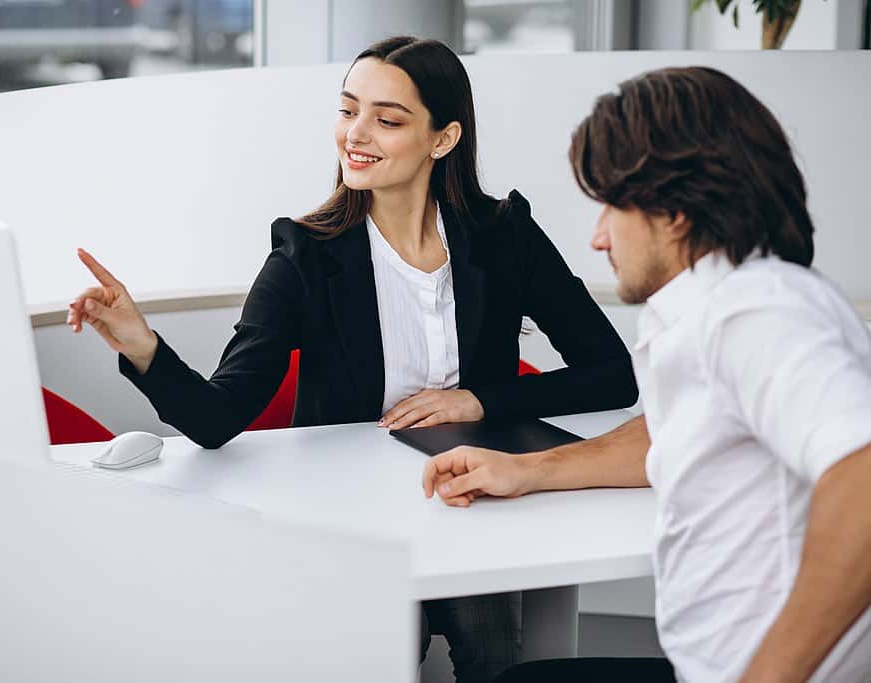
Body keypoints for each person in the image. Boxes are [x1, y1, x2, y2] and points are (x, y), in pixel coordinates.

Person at [68, 36, 638, 683]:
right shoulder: (305, 256)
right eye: (347, 111)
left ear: (443, 139)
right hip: (354, 526)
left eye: (387, 120)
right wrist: (140, 343)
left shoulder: (504, 235)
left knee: (499, 663)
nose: (355, 134)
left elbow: (610, 372)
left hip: (469, 506)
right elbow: (216, 416)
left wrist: (481, 400)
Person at [422, 66, 871, 683]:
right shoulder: (718, 306)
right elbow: (670, 431)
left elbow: (864, 481)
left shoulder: (755, 314)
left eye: (612, 205)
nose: (600, 236)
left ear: (676, 209)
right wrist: (525, 470)